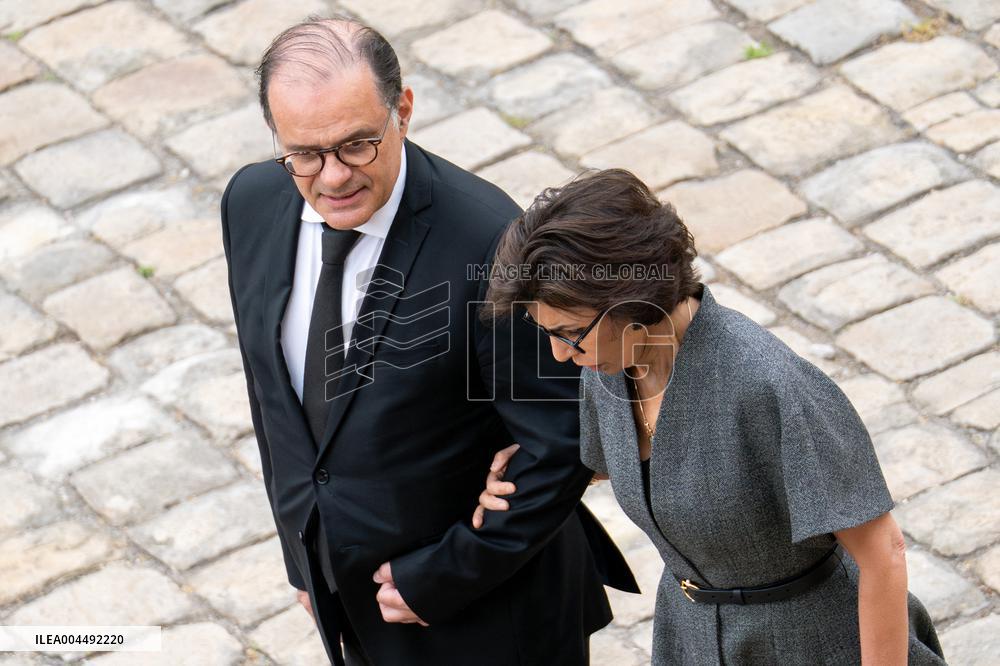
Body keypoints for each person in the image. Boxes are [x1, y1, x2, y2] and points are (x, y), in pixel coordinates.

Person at [220, 16, 637, 666]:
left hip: (493, 619)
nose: (332, 177)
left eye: (358, 144)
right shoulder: (250, 202)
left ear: (403, 110)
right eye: (304, 154)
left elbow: (561, 442)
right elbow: (270, 395)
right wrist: (305, 558)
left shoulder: (490, 241)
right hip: (349, 605)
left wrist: (444, 575)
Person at [473, 169, 947, 665]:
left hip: (816, 644)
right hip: (692, 639)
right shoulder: (609, 361)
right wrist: (520, 470)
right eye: (546, 331)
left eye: (569, 333)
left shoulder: (770, 386)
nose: (560, 354)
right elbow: (626, 461)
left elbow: (883, 554)